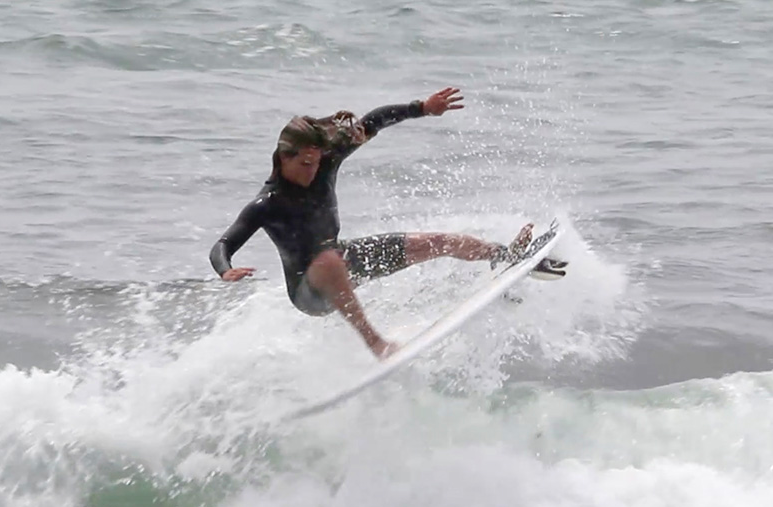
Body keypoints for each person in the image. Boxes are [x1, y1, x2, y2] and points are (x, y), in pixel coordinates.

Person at [208, 87, 565, 359]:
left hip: (343, 260)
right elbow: (224, 244)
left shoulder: (324, 164)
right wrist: (225, 270)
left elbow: (373, 120)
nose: (312, 170)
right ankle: (377, 344)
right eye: (304, 164)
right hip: (310, 291)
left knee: (435, 241)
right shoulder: (266, 204)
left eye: (316, 161)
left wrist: (422, 109)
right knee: (329, 260)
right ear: (283, 158)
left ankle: (505, 256)